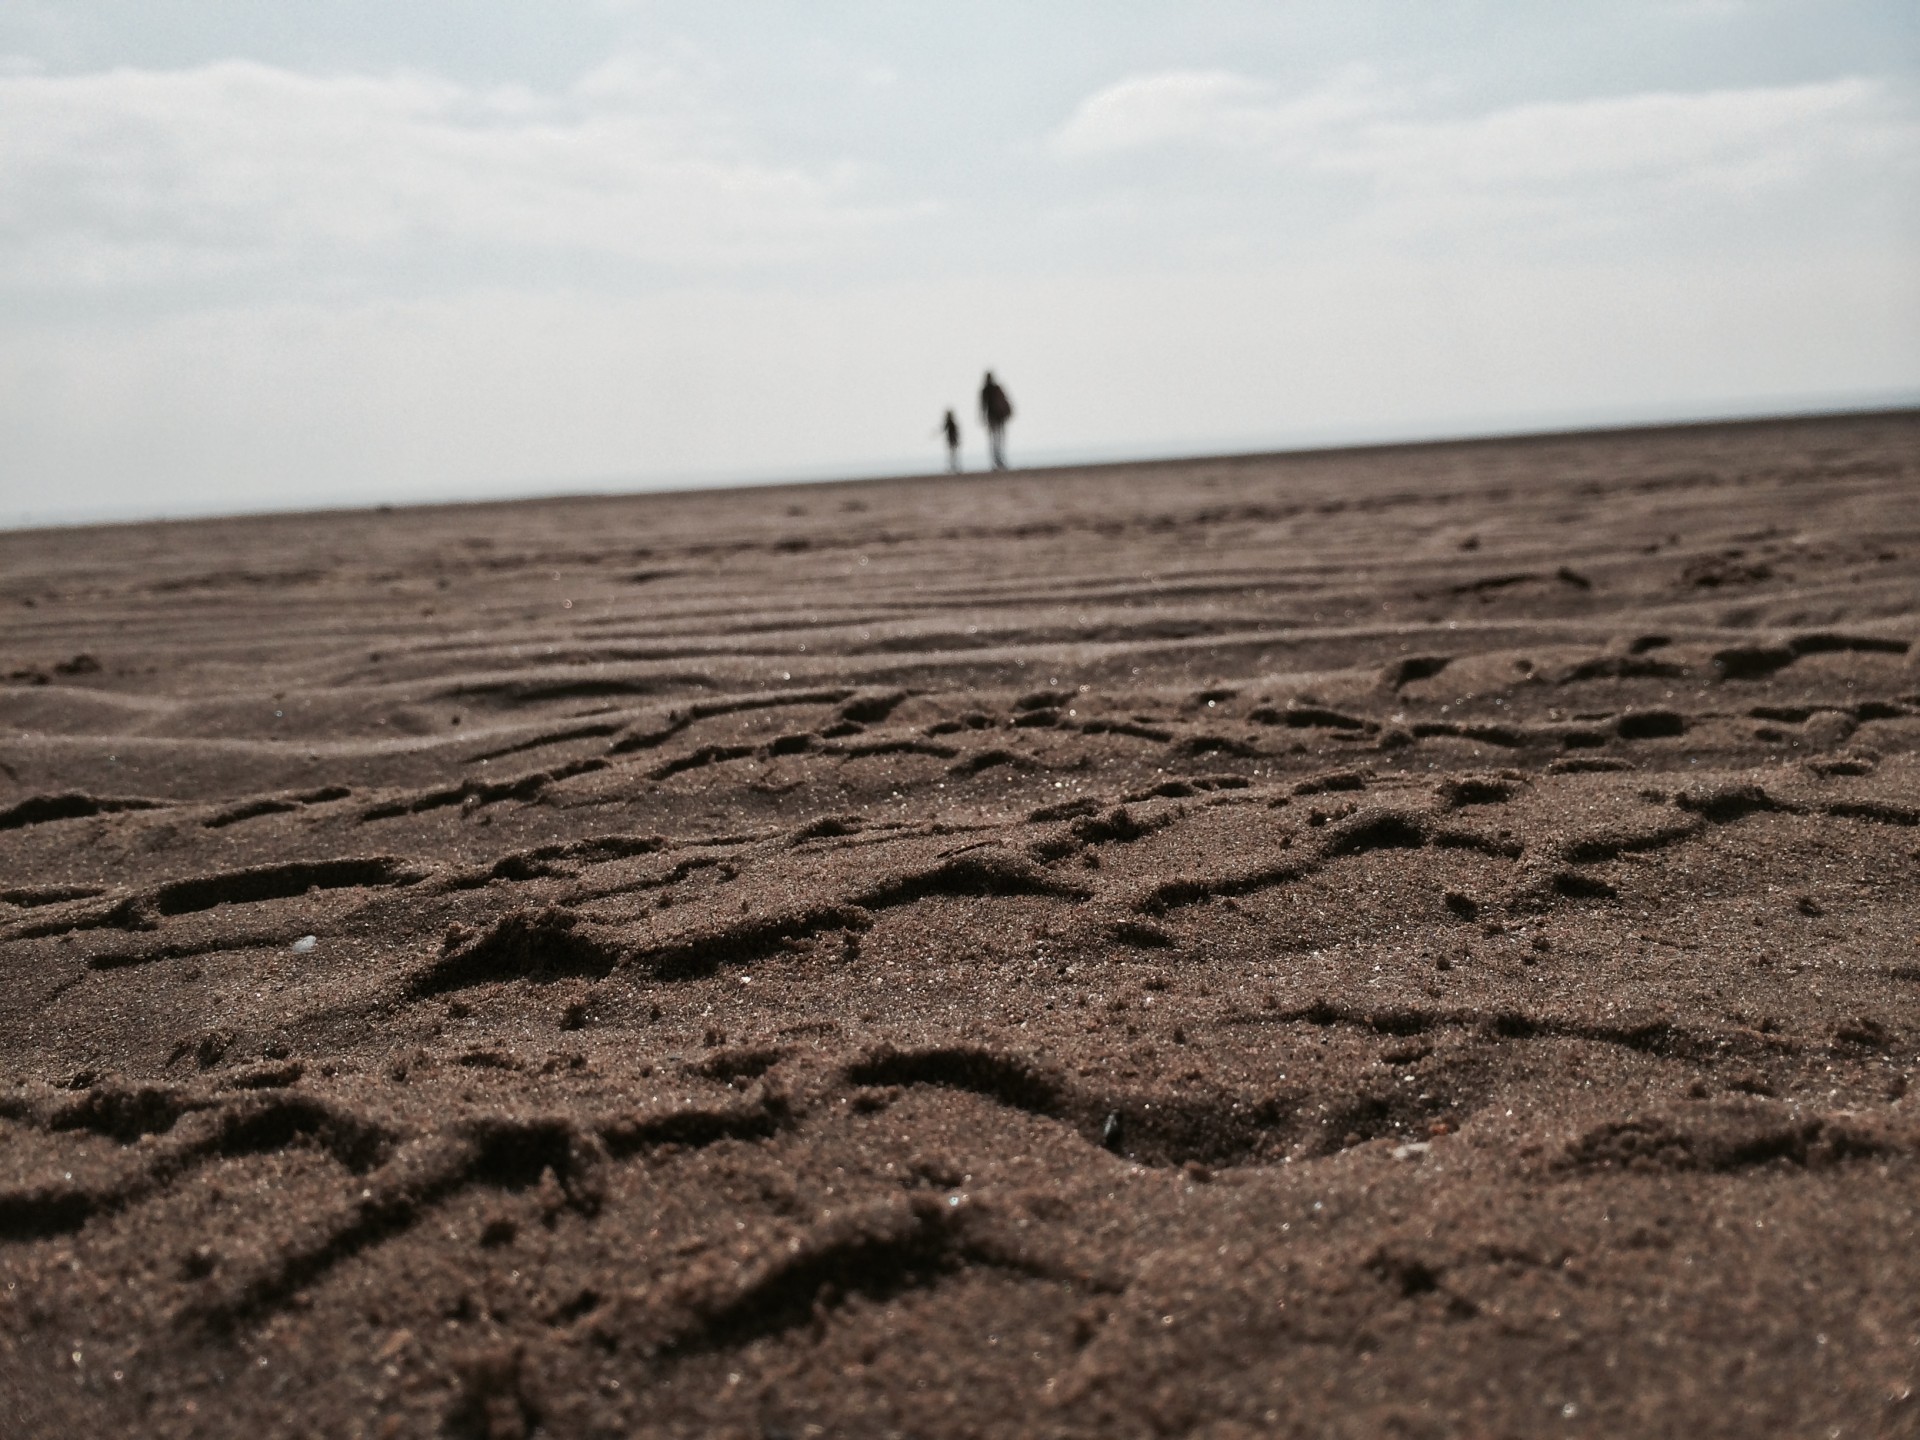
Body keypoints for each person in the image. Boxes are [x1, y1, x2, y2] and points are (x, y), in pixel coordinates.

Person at [979, 372, 1013, 470]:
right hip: (998, 417)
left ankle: (997, 461)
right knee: (999, 439)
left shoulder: (985, 390)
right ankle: (999, 460)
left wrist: (983, 417)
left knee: (994, 440)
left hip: (993, 417)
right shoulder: (995, 388)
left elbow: (983, 406)